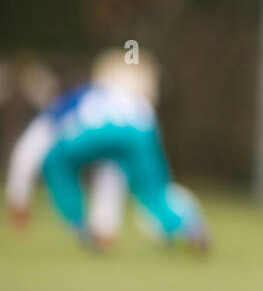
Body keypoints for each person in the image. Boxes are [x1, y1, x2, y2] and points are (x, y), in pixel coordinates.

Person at [5, 50, 208, 250]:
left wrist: (18, 196)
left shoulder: (72, 99)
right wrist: (106, 223)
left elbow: (29, 148)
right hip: (142, 128)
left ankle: (79, 225)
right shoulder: (136, 100)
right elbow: (113, 170)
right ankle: (188, 228)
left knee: (56, 161)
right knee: (152, 189)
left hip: (97, 129)